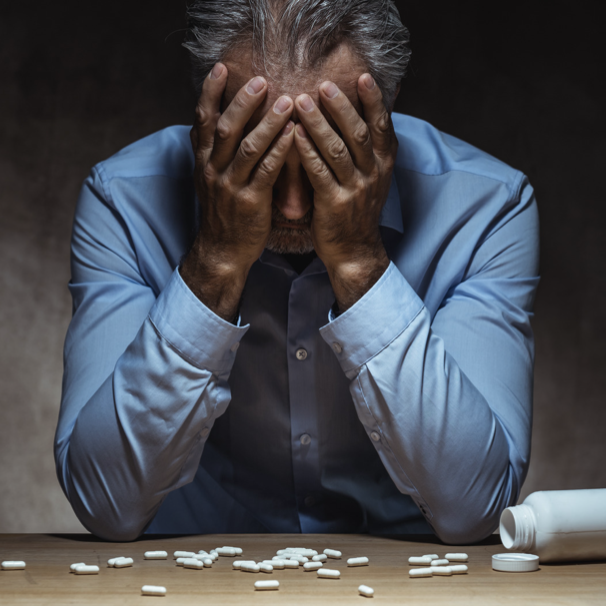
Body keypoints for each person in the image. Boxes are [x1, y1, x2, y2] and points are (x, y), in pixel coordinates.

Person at [54, 0, 539, 543]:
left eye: (327, 157)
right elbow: (105, 505)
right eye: (252, 155)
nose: (288, 207)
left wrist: (359, 261)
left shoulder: (488, 206)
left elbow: (475, 508)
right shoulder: (122, 199)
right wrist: (215, 260)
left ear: (388, 105)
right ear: (206, 113)